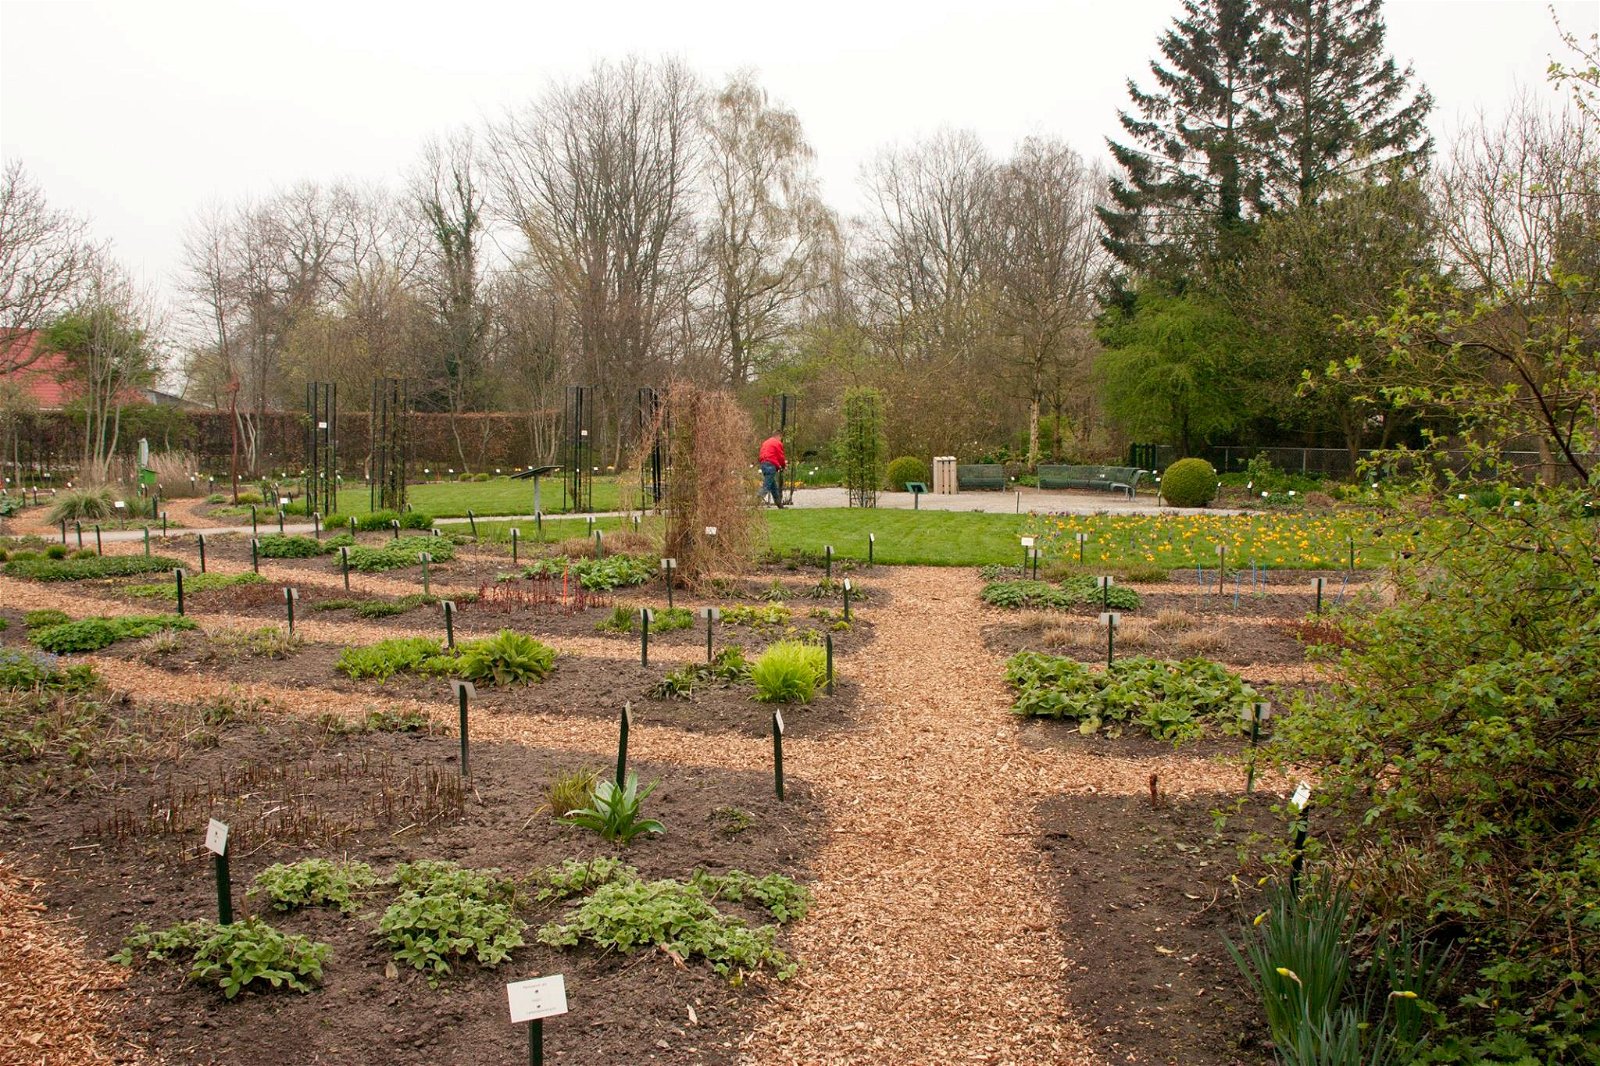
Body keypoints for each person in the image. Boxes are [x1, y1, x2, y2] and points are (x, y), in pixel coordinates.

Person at [758, 434, 786, 507]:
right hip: (770, 465)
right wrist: (783, 466)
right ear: (779, 436)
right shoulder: (777, 443)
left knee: (773, 487)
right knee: (766, 486)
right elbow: (780, 456)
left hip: (763, 464)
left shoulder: (766, 442)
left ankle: (779, 505)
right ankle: (756, 501)